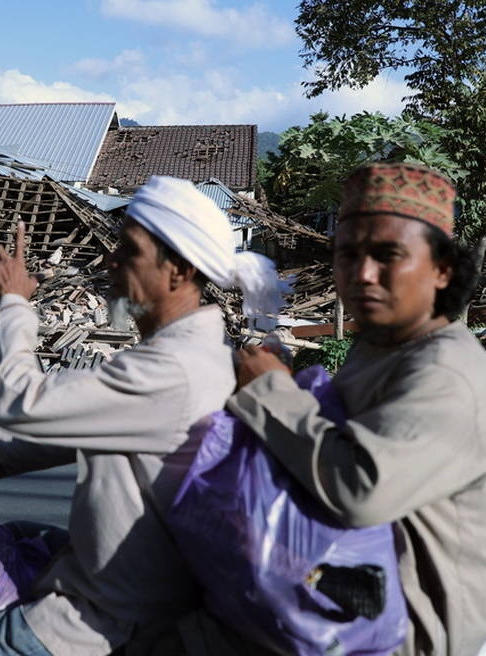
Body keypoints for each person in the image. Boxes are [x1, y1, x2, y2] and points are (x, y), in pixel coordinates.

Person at [0, 176, 287, 656]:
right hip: (132, 579)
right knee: (12, 537)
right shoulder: (196, 354)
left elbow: (22, 403)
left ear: (178, 271)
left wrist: (15, 303)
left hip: (103, 618)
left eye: (129, 251)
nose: (110, 261)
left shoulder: (170, 369)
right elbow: (107, 430)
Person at [226, 161, 486, 656]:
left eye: (388, 255)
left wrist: (269, 394)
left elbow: (362, 488)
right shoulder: (381, 348)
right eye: (348, 255)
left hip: (398, 637)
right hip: (332, 611)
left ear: (442, 269)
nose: (363, 274)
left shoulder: (447, 374)